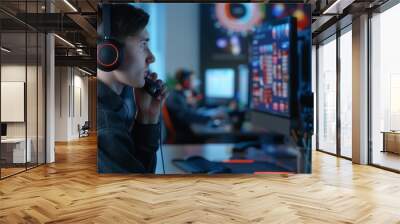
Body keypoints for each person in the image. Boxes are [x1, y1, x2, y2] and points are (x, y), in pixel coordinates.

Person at [97, 4, 167, 173]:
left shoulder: (116, 106)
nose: (152, 57)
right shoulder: (104, 125)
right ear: (110, 52)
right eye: (143, 44)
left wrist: (147, 117)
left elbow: (141, 173)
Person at [166, 69, 222, 143]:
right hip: (184, 136)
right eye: (193, 80)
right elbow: (186, 116)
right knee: (218, 138)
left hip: (187, 130)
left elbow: (190, 111)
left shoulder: (181, 95)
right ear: (186, 81)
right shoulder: (175, 97)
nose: (195, 83)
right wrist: (211, 117)